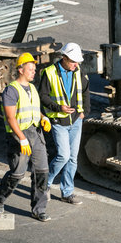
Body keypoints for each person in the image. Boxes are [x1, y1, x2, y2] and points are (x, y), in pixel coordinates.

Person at [0, 52, 52, 222]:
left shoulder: (33, 88)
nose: (34, 72)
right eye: (30, 69)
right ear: (20, 70)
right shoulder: (11, 90)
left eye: (34, 69)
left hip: (36, 133)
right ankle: (0, 195)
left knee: (42, 171)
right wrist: (22, 138)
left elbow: (33, 109)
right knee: (18, 173)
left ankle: (39, 209)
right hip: (18, 135)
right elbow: (11, 118)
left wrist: (43, 118)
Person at [39, 42, 90, 205]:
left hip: (76, 121)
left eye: (77, 62)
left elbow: (86, 91)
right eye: (73, 61)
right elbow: (43, 96)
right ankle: (45, 185)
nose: (76, 65)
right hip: (59, 122)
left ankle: (67, 192)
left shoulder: (78, 72)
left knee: (73, 159)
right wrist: (57, 107)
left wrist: (84, 112)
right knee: (63, 156)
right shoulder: (49, 73)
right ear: (64, 58)